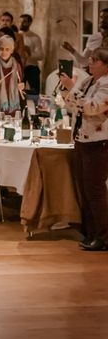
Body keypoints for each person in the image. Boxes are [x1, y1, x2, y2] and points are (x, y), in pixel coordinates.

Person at [59, 48, 108, 251]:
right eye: (90, 59)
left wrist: (73, 88)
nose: (90, 62)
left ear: (106, 65)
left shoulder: (106, 84)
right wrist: (66, 88)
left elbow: (93, 107)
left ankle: (103, 236)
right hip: (82, 138)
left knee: (95, 190)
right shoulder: (89, 81)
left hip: (98, 141)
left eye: (95, 60)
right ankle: (90, 231)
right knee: (85, 188)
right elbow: (73, 105)